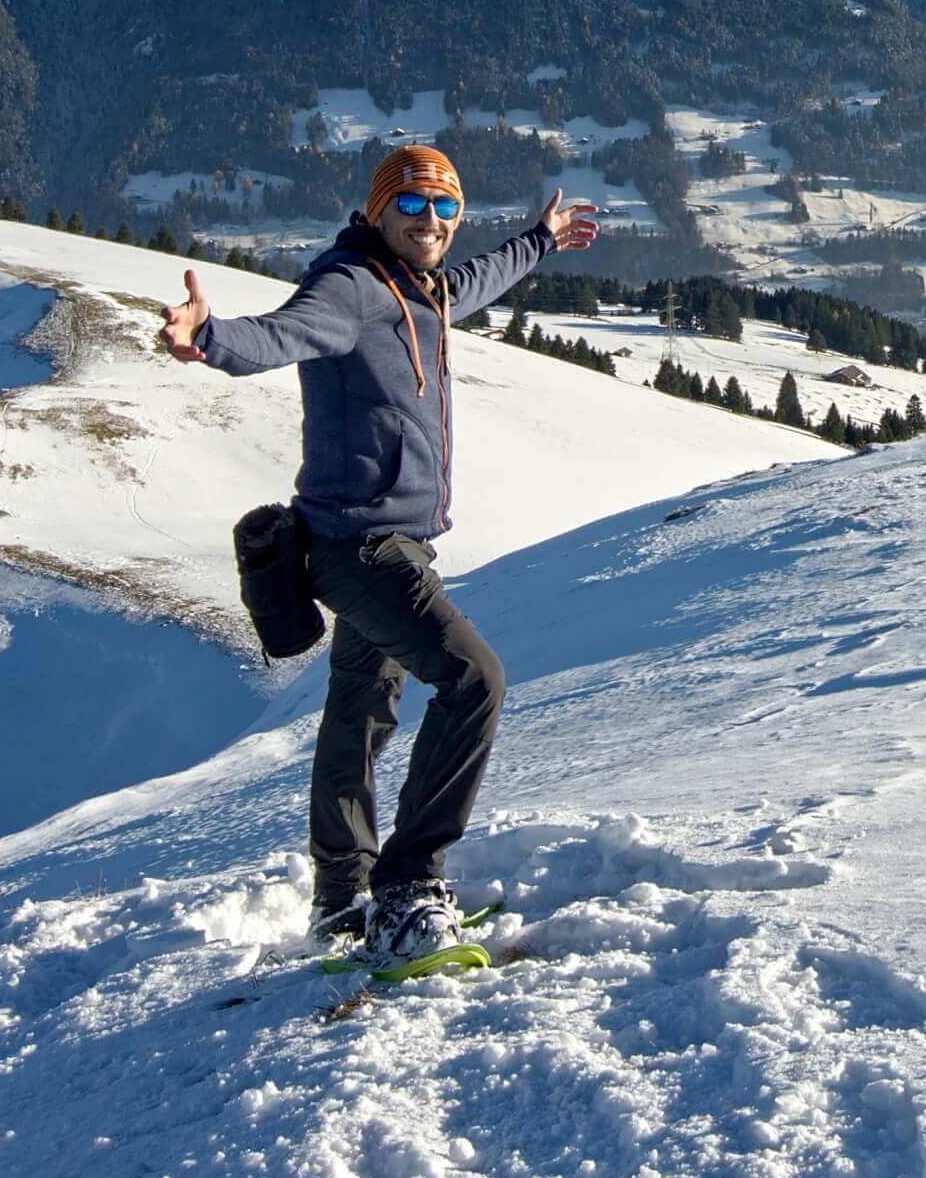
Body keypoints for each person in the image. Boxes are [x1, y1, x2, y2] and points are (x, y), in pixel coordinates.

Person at [156, 145, 598, 960]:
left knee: (359, 719)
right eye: (413, 205)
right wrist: (208, 337)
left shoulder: (420, 289)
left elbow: (472, 281)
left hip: (392, 545)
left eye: (445, 207)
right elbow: (283, 333)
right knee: (474, 681)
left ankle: (339, 901)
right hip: (360, 549)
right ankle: (405, 888)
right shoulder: (353, 288)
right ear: (378, 211)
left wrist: (539, 239)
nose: (430, 222)